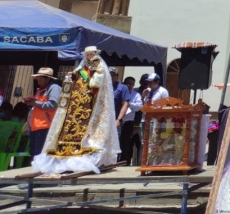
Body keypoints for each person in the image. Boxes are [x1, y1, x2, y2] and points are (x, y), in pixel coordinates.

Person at [32, 47, 120, 175]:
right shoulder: (82, 67)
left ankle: (84, 149)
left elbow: (97, 84)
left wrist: (93, 74)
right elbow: (76, 76)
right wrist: (72, 75)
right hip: (76, 101)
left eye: (91, 54)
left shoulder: (99, 66)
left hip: (90, 100)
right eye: (88, 54)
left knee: (85, 123)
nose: (89, 56)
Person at [23, 67, 61, 158]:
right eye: (38, 78)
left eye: (41, 79)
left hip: (45, 126)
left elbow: (53, 104)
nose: (38, 81)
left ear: (48, 79)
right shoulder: (40, 90)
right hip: (35, 126)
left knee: (40, 154)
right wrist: (31, 103)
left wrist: (35, 103)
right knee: (34, 153)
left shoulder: (54, 88)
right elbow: (38, 105)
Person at [117, 76, 143, 165]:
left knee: (126, 143)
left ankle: (124, 162)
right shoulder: (120, 92)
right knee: (117, 141)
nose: (130, 86)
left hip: (128, 122)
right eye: (128, 84)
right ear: (124, 83)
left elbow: (139, 107)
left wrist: (130, 104)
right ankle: (115, 160)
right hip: (118, 121)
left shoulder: (136, 95)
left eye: (132, 84)